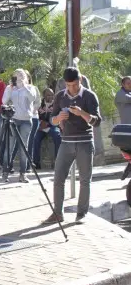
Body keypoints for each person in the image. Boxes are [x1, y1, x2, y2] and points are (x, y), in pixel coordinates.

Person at [43, 67, 102, 224]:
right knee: (58, 178)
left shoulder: (90, 96)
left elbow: (97, 122)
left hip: (85, 142)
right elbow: (52, 120)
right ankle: (58, 213)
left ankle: (81, 214)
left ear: (80, 80)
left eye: (75, 84)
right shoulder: (60, 96)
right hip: (66, 143)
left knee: (84, 179)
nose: (72, 88)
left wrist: (82, 113)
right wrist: (58, 118)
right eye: (68, 85)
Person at [1, 68, 36, 183]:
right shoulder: (10, 88)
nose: (19, 77)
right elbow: (4, 101)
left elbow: (32, 98)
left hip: (26, 120)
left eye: (21, 75)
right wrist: (10, 88)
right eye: (16, 75)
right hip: (13, 120)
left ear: (26, 77)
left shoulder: (31, 88)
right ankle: (5, 172)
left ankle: (23, 174)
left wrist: (24, 86)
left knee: (23, 148)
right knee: (9, 147)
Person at [32, 88, 62, 169]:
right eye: (48, 95)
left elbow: (58, 117)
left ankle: (58, 162)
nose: (51, 97)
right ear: (44, 96)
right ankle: (36, 162)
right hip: (40, 127)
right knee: (35, 138)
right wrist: (40, 123)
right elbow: (34, 115)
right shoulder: (39, 104)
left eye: (52, 95)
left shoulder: (57, 104)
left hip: (52, 126)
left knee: (57, 135)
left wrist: (49, 123)